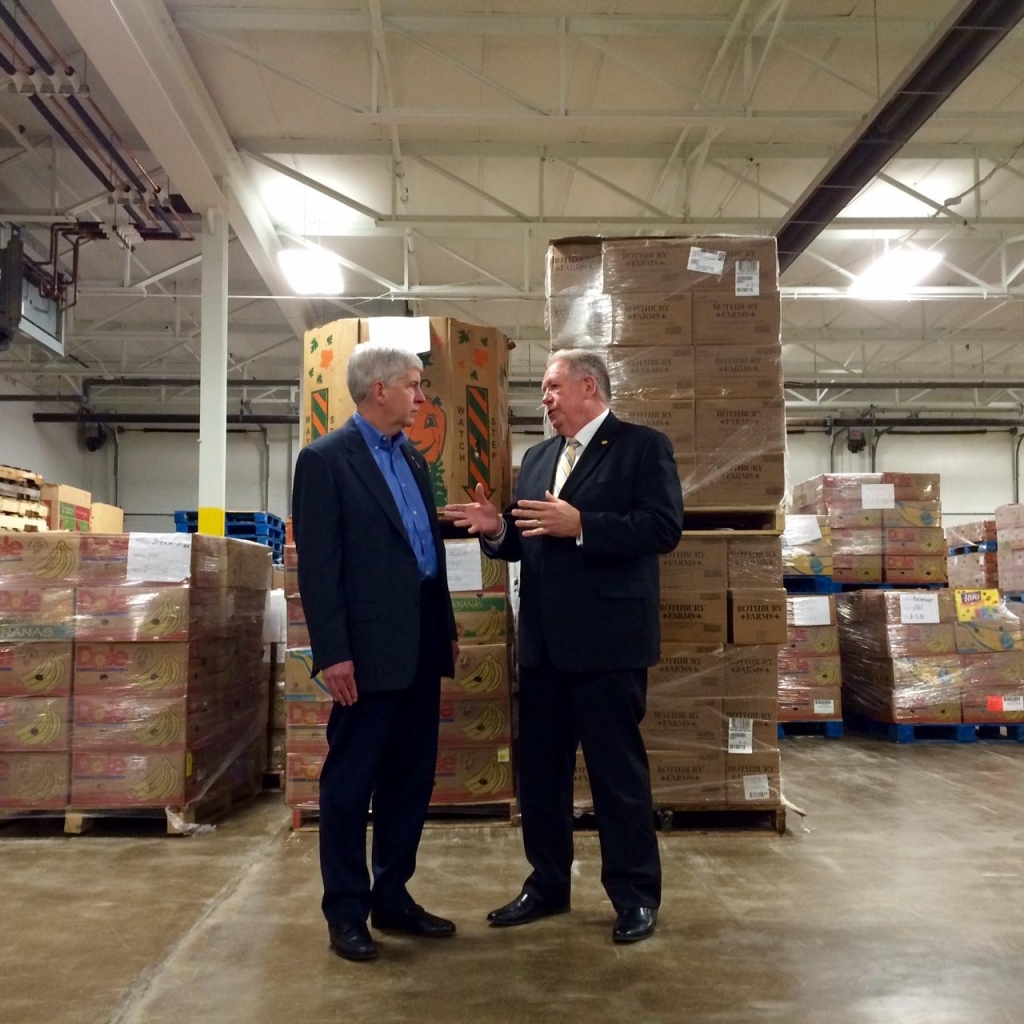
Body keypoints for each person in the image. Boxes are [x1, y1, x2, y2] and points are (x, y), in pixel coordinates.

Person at [445, 348, 683, 944]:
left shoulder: (641, 447)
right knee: (542, 774)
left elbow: (663, 528)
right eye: (543, 391)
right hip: (544, 646)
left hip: (608, 647)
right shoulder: (538, 458)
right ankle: (547, 883)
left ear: (588, 386)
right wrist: (497, 529)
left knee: (615, 775)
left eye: (552, 388)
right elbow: (527, 541)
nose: (544, 400)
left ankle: (634, 896)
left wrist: (584, 527)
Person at [292, 344, 459, 963]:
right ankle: (346, 910)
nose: (422, 398)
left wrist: (442, 626)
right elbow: (321, 568)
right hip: (362, 653)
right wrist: (332, 653)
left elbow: (425, 557)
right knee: (350, 782)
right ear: (379, 389)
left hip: (417, 645)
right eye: (414, 386)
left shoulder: (413, 458)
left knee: (410, 780)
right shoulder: (325, 461)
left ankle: (392, 895)